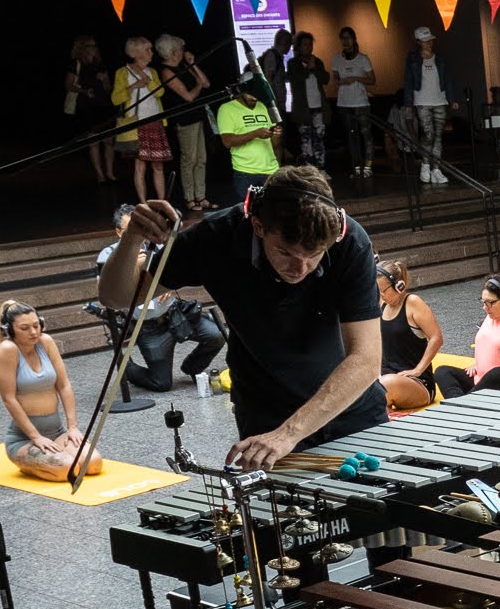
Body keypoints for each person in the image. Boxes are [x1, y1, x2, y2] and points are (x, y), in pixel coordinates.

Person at [98, 168, 386, 467]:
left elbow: (365, 359)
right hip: (266, 410)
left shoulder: (350, 242)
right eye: (285, 252)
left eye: (313, 255)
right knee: (284, 512)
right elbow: (117, 297)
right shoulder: (216, 237)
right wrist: (132, 238)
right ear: (259, 226)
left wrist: (289, 434)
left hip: (350, 406)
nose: (300, 268)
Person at [97, 204, 225, 393]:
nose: (141, 234)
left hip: (174, 314)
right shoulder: (109, 256)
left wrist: (170, 286)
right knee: (161, 383)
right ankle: (128, 368)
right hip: (149, 326)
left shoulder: (158, 245)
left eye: (143, 227)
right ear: (118, 232)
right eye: (130, 229)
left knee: (216, 335)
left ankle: (192, 367)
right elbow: (106, 294)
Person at [0, 301, 101, 481]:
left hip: (56, 431)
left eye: (37, 325)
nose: (34, 332)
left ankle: (49, 459)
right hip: (24, 439)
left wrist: (72, 427)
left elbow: (64, 385)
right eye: (25, 328)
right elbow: (9, 399)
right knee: (67, 468)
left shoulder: (45, 341)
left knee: (93, 464)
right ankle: (28, 464)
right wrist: (35, 437)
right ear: (9, 330)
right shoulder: (7, 349)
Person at [370, 257, 440, 411]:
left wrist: (418, 370)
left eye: (383, 291)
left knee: (383, 387)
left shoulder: (413, 303)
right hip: (388, 377)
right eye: (377, 290)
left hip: (418, 383)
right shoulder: (383, 304)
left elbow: (436, 338)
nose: (380, 295)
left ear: (399, 286)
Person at [155, 35, 211, 214]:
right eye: (180, 48)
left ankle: (201, 196)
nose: (183, 51)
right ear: (172, 51)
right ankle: (189, 198)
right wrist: (199, 86)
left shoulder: (183, 66)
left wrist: (192, 64)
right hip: (185, 119)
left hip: (198, 116)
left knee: (201, 158)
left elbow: (206, 83)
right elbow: (187, 96)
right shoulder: (166, 71)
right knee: (190, 159)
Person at [113, 36, 169, 203]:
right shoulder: (122, 73)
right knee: (140, 165)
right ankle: (143, 203)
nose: (151, 53)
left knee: (158, 164)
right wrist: (132, 87)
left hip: (155, 121)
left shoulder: (152, 72)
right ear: (136, 53)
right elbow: (115, 99)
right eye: (147, 50)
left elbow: (160, 93)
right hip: (136, 124)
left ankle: (163, 201)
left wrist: (147, 81)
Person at [217, 84, 279, 202]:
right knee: (248, 213)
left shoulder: (263, 106)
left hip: (271, 170)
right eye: (251, 93)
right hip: (246, 172)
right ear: (241, 91)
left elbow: (275, 144)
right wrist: (255, 133)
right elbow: (227, 141)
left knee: (273, 212)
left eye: (257, 94)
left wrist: (276, 135)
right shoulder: (226, 109)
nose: (254, 97)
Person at [67, 36, 116, 185]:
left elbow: (108, 87)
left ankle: (110, 173)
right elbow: (69, 85)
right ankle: (99, 174)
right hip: (87, 105)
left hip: (104, 104)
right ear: (82, 47)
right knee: (93, 141)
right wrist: (84, 91)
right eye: (90, 45)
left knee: (109, 141)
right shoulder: (76, 63)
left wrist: (104, 80)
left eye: (95, 45)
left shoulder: (100, 63)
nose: (94, 47)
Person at [403, 27, 449, 183]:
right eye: (425, 41)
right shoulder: (413, 58)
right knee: (428, 134)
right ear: (418, 42)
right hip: (422, 101)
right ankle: (425, 163)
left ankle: (436, 169)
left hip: (440, 100)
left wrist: (452, 98)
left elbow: (447, 79)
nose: (428, 43)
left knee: (438, 136)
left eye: (430, 40)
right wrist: (408, 104)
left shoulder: (440, 58)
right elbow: (408, 81)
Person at [331, 27, 376, 178]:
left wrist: (356, 78)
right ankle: (356, 167)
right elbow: (335, 80)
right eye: (343, 38)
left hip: (361, 103)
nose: (345, 41)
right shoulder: (337, 59)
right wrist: (341, 80)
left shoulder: (363, 58)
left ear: (354, 39)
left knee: (366, 135)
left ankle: (368, 166)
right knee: (351, 137)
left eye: (348, 37)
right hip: (344, 103)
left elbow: (372, 80)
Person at [286, 32, 329, 168]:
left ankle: (321, 169)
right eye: (305, 44)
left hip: (318, 107)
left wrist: (314, 67)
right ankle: (309, 171)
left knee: (319, 140)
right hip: (303, 109)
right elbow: (296, 80)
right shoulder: (293, 63)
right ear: (298, 47)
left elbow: (326, 79)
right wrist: (307, 69)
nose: (309, 47)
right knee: (306, 141)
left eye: (310, 44)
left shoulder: (317, 62)